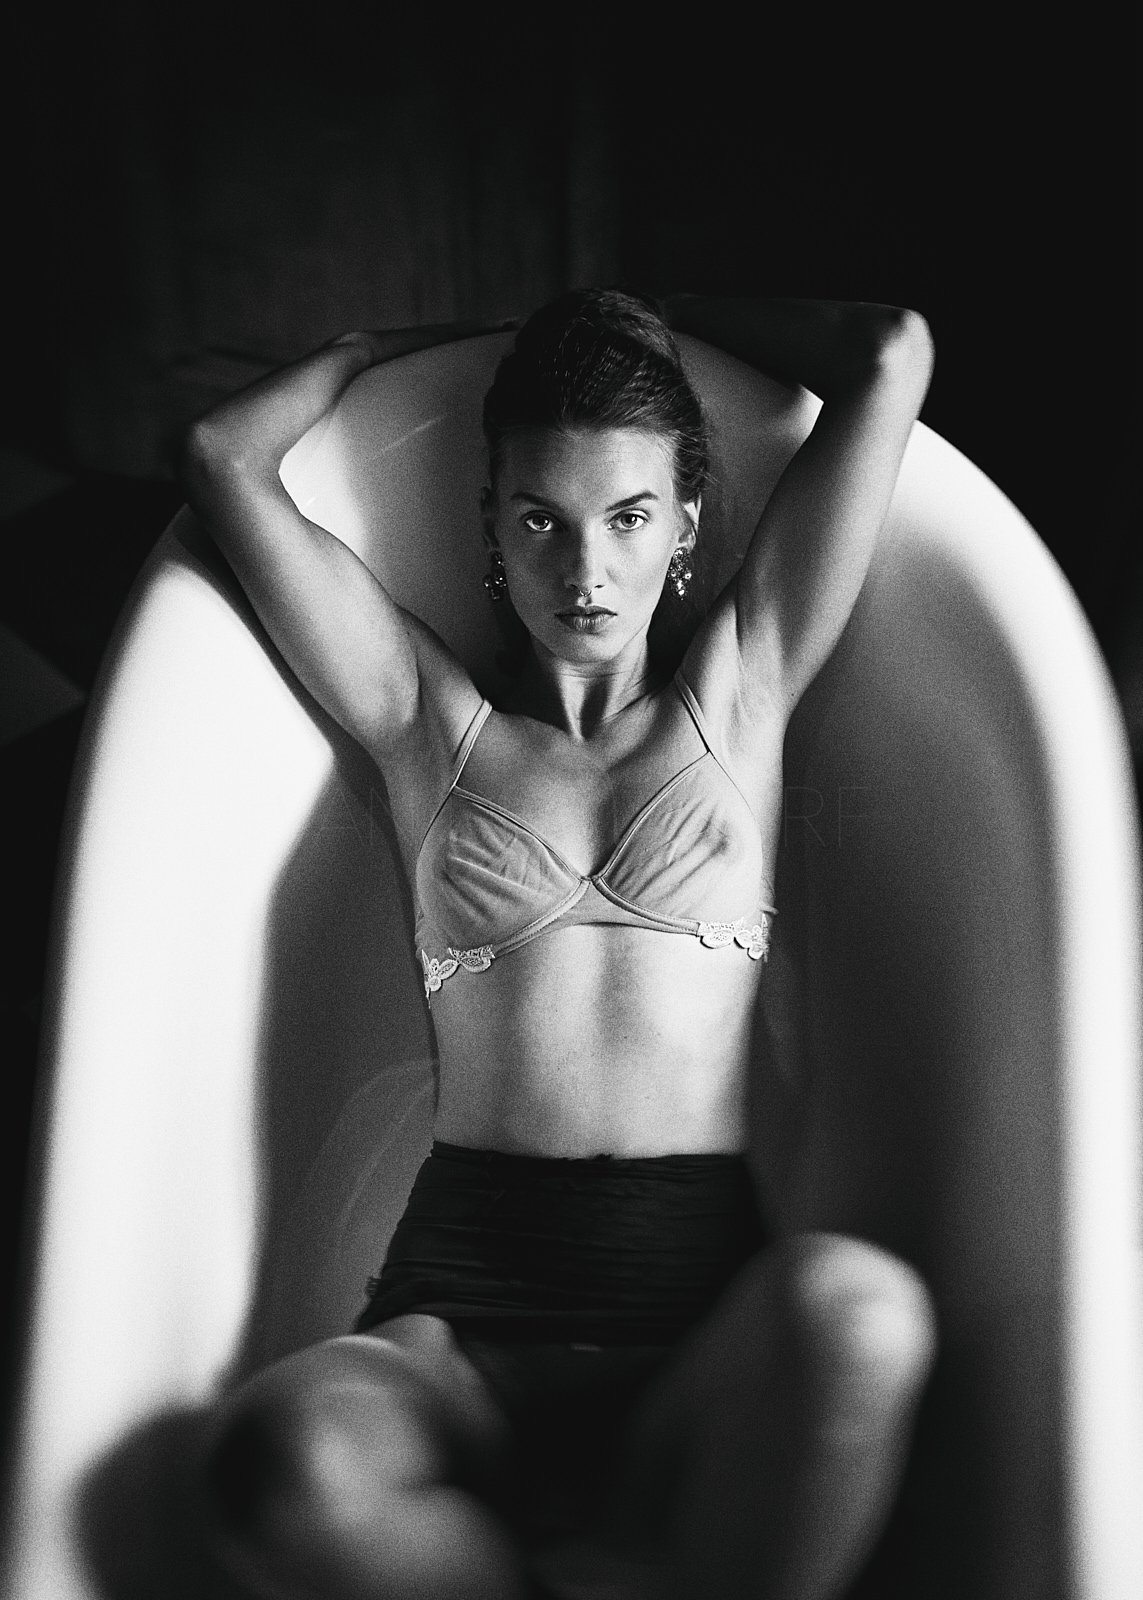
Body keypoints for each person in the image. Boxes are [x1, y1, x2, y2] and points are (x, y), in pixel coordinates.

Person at [179, 287, 937, 1600]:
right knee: (279, 1462)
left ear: (685, 527)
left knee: (865, 1319)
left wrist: (648, 303)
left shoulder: (742, 691)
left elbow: (892, 355)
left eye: (629, 518)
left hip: (695, 1331)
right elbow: (222, 459)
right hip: (462, 1324)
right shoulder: (430, 725)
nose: (585, 571)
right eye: (541, 518)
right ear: (491, 529)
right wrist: (384, 347)